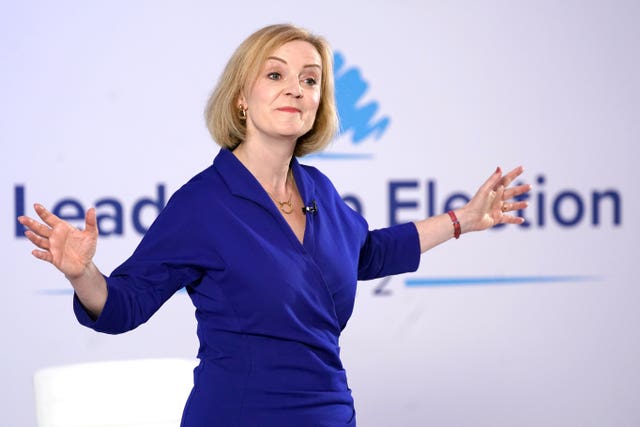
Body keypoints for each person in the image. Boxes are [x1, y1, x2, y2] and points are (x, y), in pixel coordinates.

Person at [18, 24, 531, 427]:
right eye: (276, 75)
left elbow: (366, 254)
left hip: (330, 413)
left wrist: (463, 220)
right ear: (241, 96)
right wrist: (81, 273)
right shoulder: (204, 203)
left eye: (310, 79)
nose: (296, 89)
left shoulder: (320, 192)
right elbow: (123, 305)